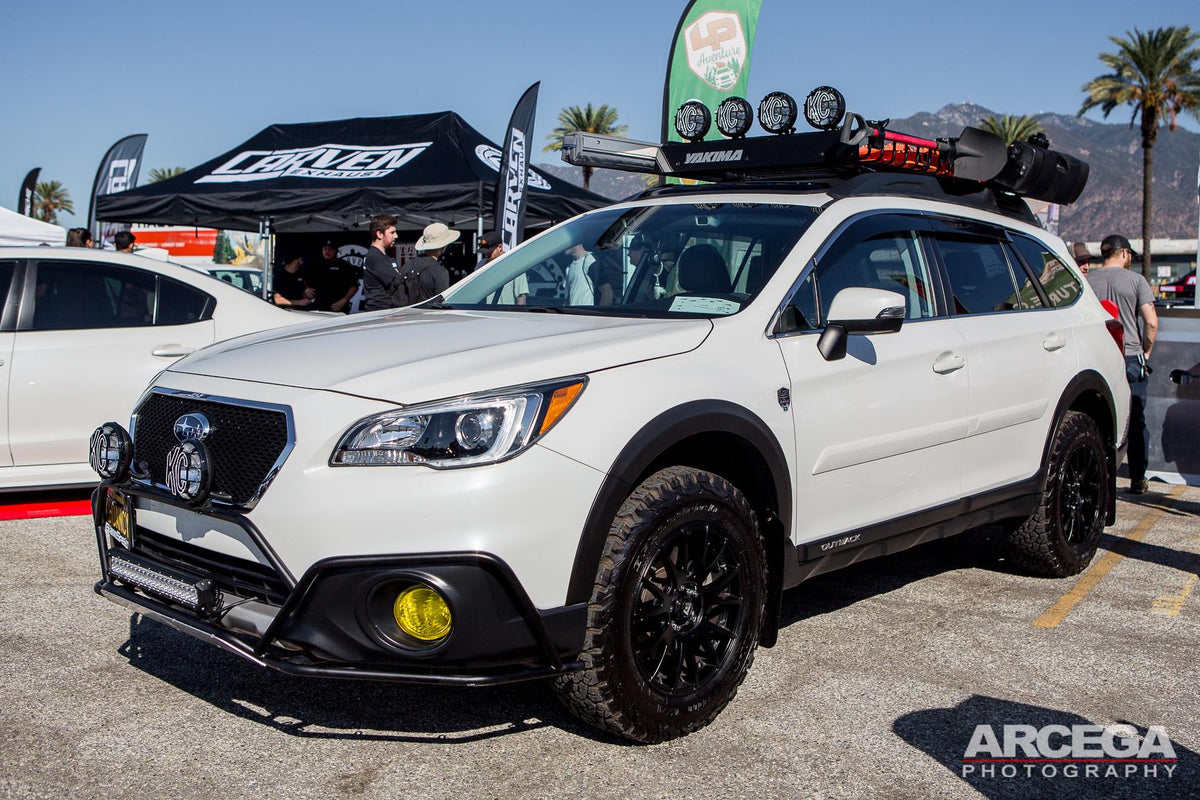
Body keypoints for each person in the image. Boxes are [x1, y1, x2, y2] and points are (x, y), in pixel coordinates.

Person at [1087, 234, 1158, 494]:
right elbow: (1151, 322)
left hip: (1097, 358)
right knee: (1135, 418)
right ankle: (1138, 478)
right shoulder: (1136, 281)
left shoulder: (1087, 280)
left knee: (1097, 419)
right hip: (1129, 356)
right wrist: (1146, 353)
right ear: (1125, 253)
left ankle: (1098, 478)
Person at [401, 222, 456, 304]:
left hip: (406, 314)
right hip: (430, 315)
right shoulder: (440, 271)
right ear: (444, 246)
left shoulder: (408, 265)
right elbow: (442, 303)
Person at [360, 214, 404, 311]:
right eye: (392, 232)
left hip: (387, 312)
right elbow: (398, 282)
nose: (396, 236)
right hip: (380, 313)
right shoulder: (374, 257)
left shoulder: (384, 256)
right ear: (379, 234)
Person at [306, 239, 359, 313]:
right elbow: (305, 280)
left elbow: (354, 286)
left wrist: (344, 300)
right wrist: (307, 288)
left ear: (337, 251)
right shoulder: (315, 265)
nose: (327, 252)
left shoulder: (345, 266)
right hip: (318, 307)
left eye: (330, 249)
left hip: (337, 307)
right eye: (325, 249)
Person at [478, 229, 528, 305]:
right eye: (484, 252)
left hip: (505, 314)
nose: (486, 254)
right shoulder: (481, 264)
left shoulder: (515, 266)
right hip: (482, 313)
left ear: (500, 247)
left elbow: (521, 296)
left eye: (490, 252)